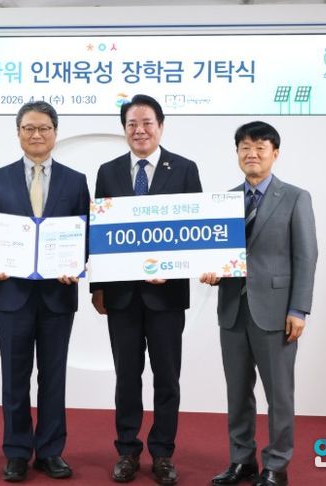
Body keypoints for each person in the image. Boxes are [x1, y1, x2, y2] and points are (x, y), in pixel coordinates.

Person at [91, 94, 202, 485]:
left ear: (161, 126)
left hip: (166, 296)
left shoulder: (184, 169)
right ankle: (127, 450)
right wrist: (98, 287)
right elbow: (100, 233)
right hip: (121, 295)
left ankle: (163, 453)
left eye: (147, 123)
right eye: (132, 124)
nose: (139, 130)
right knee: (127, 376)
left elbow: (195, 230)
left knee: (167, 378)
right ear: (124, 129)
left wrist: (172, 269)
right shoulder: (108, 172)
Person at [0, 101, 90, 483]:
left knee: (53, 377)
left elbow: (85, 234)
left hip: (58, 295)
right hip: (11, 293)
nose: (36, 134)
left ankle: (51, 451)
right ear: (18, 133)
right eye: (28, 128)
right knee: (14, 377)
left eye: (43, 128)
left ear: (55, 133)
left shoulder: (76, 181)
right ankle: (17, 452)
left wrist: (76, 265)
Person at [200, 121, 318, 486]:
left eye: (260, 147)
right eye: (245, 148)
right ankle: (242, 460)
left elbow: (306, 256)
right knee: (237, 393)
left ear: (274, 153)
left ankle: (276, 465)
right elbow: (216, 254)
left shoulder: (296, 197)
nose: (251, 154)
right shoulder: (224, 201)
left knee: (279, 395)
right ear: (237, 153)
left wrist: (298, 309)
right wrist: (212, 272)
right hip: (233, 311)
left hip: (276, 312)